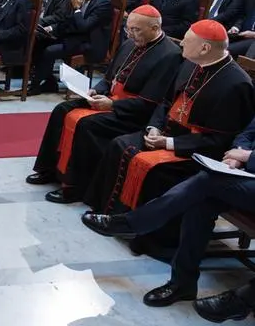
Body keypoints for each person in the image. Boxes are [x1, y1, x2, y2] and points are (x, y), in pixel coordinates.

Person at [84, 20, 255, 214]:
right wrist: (154, 127)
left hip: (195, 148)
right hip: (165, 132)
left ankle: (143, 234)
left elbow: (219, 140)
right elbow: (166, 101)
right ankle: (107, 211)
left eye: (187, 40)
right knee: (119, 145)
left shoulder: (236, 84)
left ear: (205, 48)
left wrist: (169, 143)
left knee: (155, 170)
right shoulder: (192, 62)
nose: (181, 43)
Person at [82, 116, 255, 308]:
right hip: (247, 175)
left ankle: (133, 223)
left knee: (207, 181)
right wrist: (238, 154)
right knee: (202, 202)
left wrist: (248, 157)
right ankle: (182, 283)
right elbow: (248, 132)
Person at [27, 6, 182, 204]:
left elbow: (152, 102)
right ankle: (50, 169)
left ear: (154, 28)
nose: (131, 34)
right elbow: (109, 78)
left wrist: (113, 105)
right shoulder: (129, 44)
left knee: (86, 124)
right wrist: (97, 90)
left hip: (133, 113)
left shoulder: (170, 55)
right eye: (129, 29)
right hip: (109, 99)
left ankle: (75, 186)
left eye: (137, 30)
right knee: (62, 109)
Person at [29, 0, 112, 95]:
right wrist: (51, 29)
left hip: (90, 43)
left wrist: (77, 9)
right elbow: (67, 19)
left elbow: (84, 26)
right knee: (41, 40)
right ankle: (49, 82)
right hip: (75, 36)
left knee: (50, 51)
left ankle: (35, 86)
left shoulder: (103, 3)